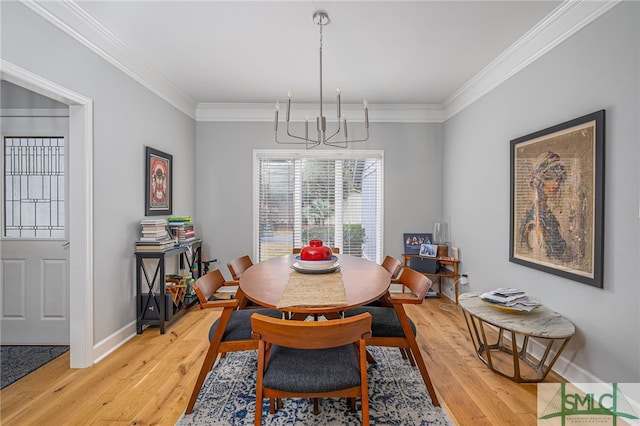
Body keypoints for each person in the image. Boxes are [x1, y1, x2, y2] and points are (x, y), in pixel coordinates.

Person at [520, 151, 567, 260]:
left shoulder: (548, 214)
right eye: (550, 178)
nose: (556, 183)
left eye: (558, 179)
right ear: (539, 181)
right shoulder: (535, 222)